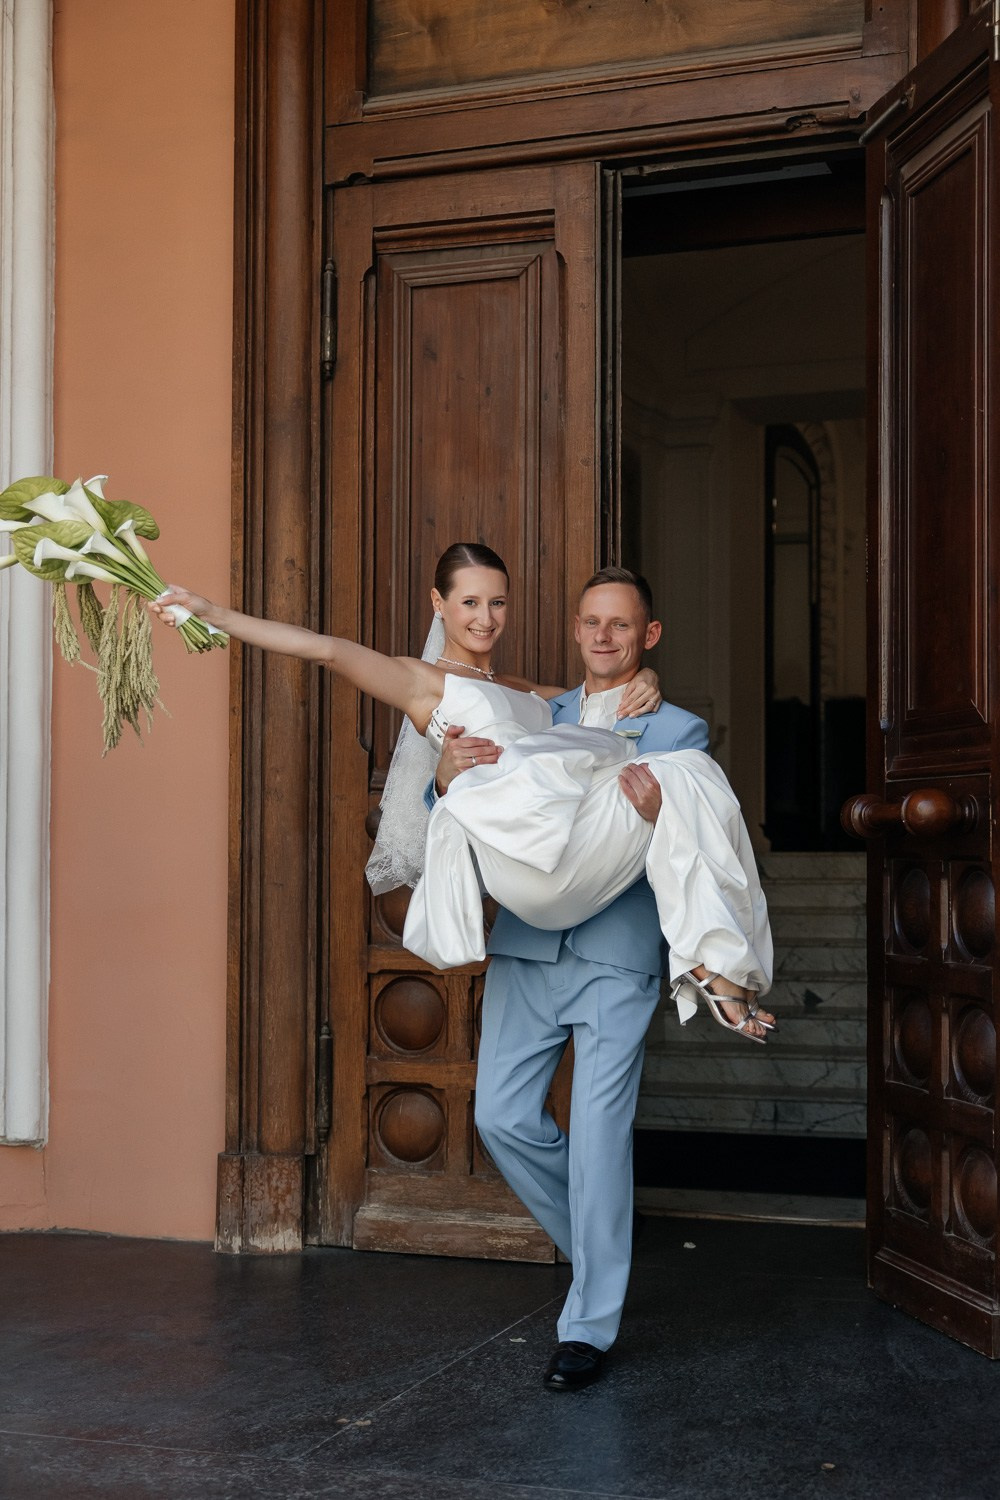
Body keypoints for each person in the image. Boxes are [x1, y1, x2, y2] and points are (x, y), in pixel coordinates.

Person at [151, 548, 774, 1388]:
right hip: (526, 947)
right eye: (592, 622)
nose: (603, 636)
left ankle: (588, 1325)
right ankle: (600, 1251)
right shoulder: (543, 708)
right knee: (502, 1118)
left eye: (620, 625)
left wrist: (662, 811)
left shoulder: (674, 727)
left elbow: (698, 840)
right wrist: (443, 782)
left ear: (647, 634)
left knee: (599, 1138)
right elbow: (467, 796)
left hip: (615, 955)